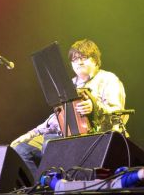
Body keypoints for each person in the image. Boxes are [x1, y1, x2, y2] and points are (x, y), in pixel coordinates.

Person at [11, 39, 127, 177]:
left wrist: (95, 107)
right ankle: (39, 187)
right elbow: (57, 118)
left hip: (96, 137)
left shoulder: (108, 79)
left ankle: (55, 187)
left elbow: (118, 111)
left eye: (84, 57)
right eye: (74, 59)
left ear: (95, 60)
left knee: (50, 143)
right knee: (21, 149)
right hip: (65, 136)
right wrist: (31, 133)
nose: (79, 62)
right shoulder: (70, 84)